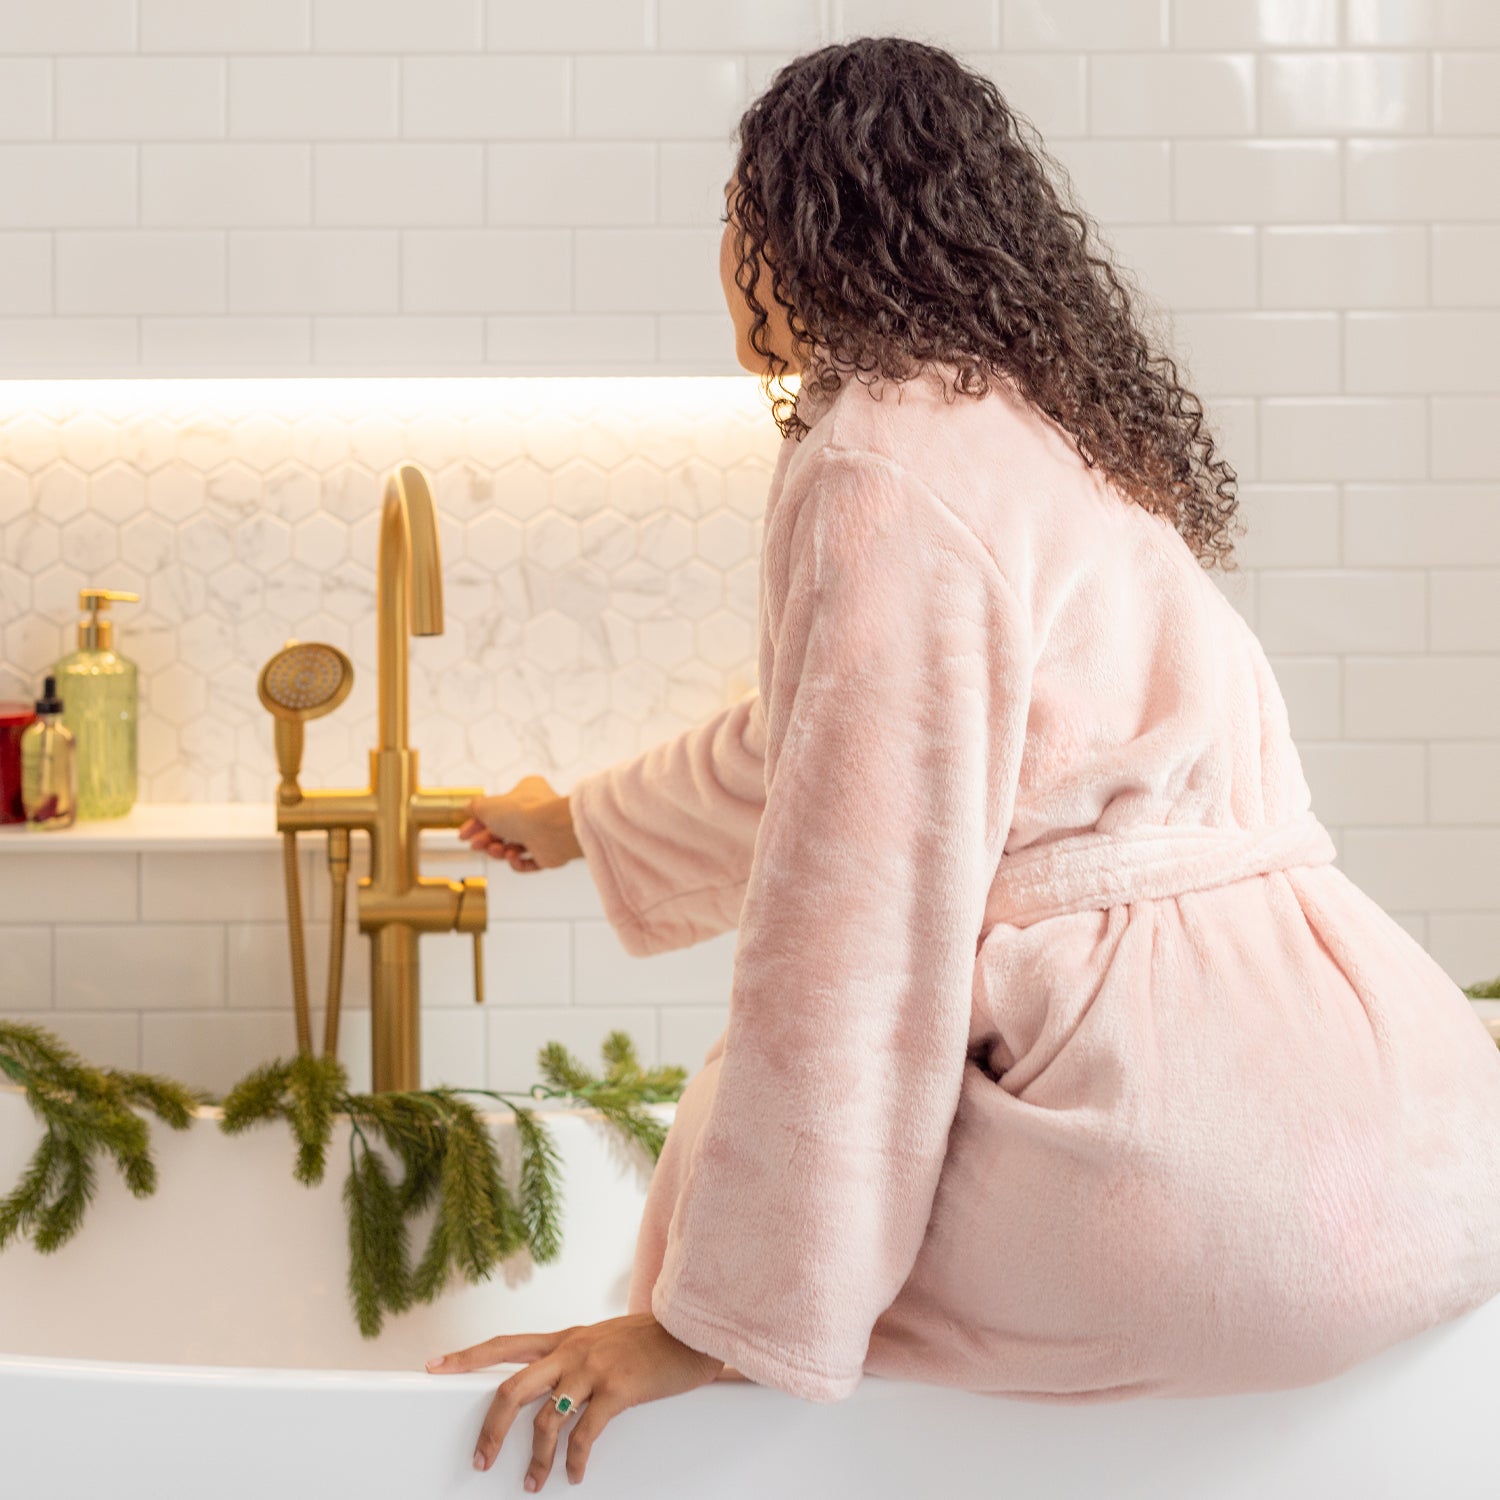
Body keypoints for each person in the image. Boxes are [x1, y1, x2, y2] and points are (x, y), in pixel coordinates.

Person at [426, 36, 1500, 1493]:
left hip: (1180, 1177)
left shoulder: (880, 461)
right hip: (1394, 1153)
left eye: (739, 217)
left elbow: (856, 907)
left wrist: (706, 1325)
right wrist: (583, 823)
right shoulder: (1046, 424)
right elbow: (827, 747)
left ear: (791, 234)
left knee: (739, 1242)